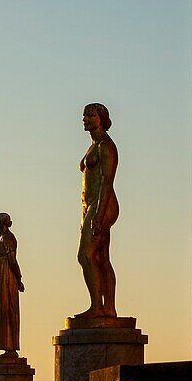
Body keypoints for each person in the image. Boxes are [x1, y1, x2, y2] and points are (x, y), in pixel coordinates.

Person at [75, 102, 119, 320]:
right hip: (92, 205)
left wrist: (98, 215)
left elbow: (106, 182)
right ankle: (107, 308)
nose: (85, 119)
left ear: (101, 119)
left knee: (86, 254)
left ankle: (98, 306)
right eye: (84, 115)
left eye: (90, 115)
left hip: (104, 204)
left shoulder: (105, 146)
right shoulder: (94, 145)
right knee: (100, 257)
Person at [0, 212, 24, 354]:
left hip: (6, 276)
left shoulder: (9, 238)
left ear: (2, 223)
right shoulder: (3, 237)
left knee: (6, 307)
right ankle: (5, 345)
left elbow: (13, 261)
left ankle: (10, 347)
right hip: (1, 275)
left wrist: (19, 278)